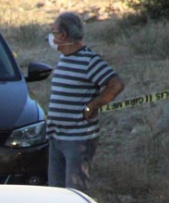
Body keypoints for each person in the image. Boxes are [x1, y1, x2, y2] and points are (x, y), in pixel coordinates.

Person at [46, 12, 125, 193]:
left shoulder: (89, 60)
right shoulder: (64, 58)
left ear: (63, 35)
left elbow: (116, 84)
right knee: (55, 193)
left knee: (75, 194)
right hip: (56, 137)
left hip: (77, 139)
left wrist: (93, 105)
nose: (52, 36)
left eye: (54, 31)